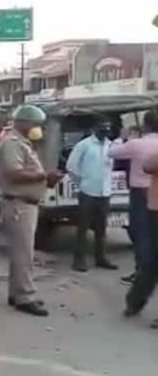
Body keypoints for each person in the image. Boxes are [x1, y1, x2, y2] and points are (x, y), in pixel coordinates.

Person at [0, 104, 63, 317]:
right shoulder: (12, 143)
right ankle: (25, 296)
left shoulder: (24, 143)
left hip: (24, 203)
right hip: (19, 204)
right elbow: (14, 174)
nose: (38, 128)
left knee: (20, 253)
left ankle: (17, 293)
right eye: (36, 124)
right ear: (24, 123)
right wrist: (44, 177)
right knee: (24, 253)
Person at [109, 111, 158, 288]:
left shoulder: (136, 144)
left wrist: (122, 137)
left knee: (140, 234)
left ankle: (141, 273)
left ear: (145, 125)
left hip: (140, 193)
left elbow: (111, 153)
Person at [65, 115, 119, 272]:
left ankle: (101, 258)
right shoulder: (84, 145)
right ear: (95, 128)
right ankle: (78, 260)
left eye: (108, 127)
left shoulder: (111, 146)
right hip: (88, 192)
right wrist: (81, 183)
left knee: (101, 229)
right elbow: (71, 166)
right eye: (102, 126)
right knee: (83, 228)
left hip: (105, 193)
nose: (106, 129)